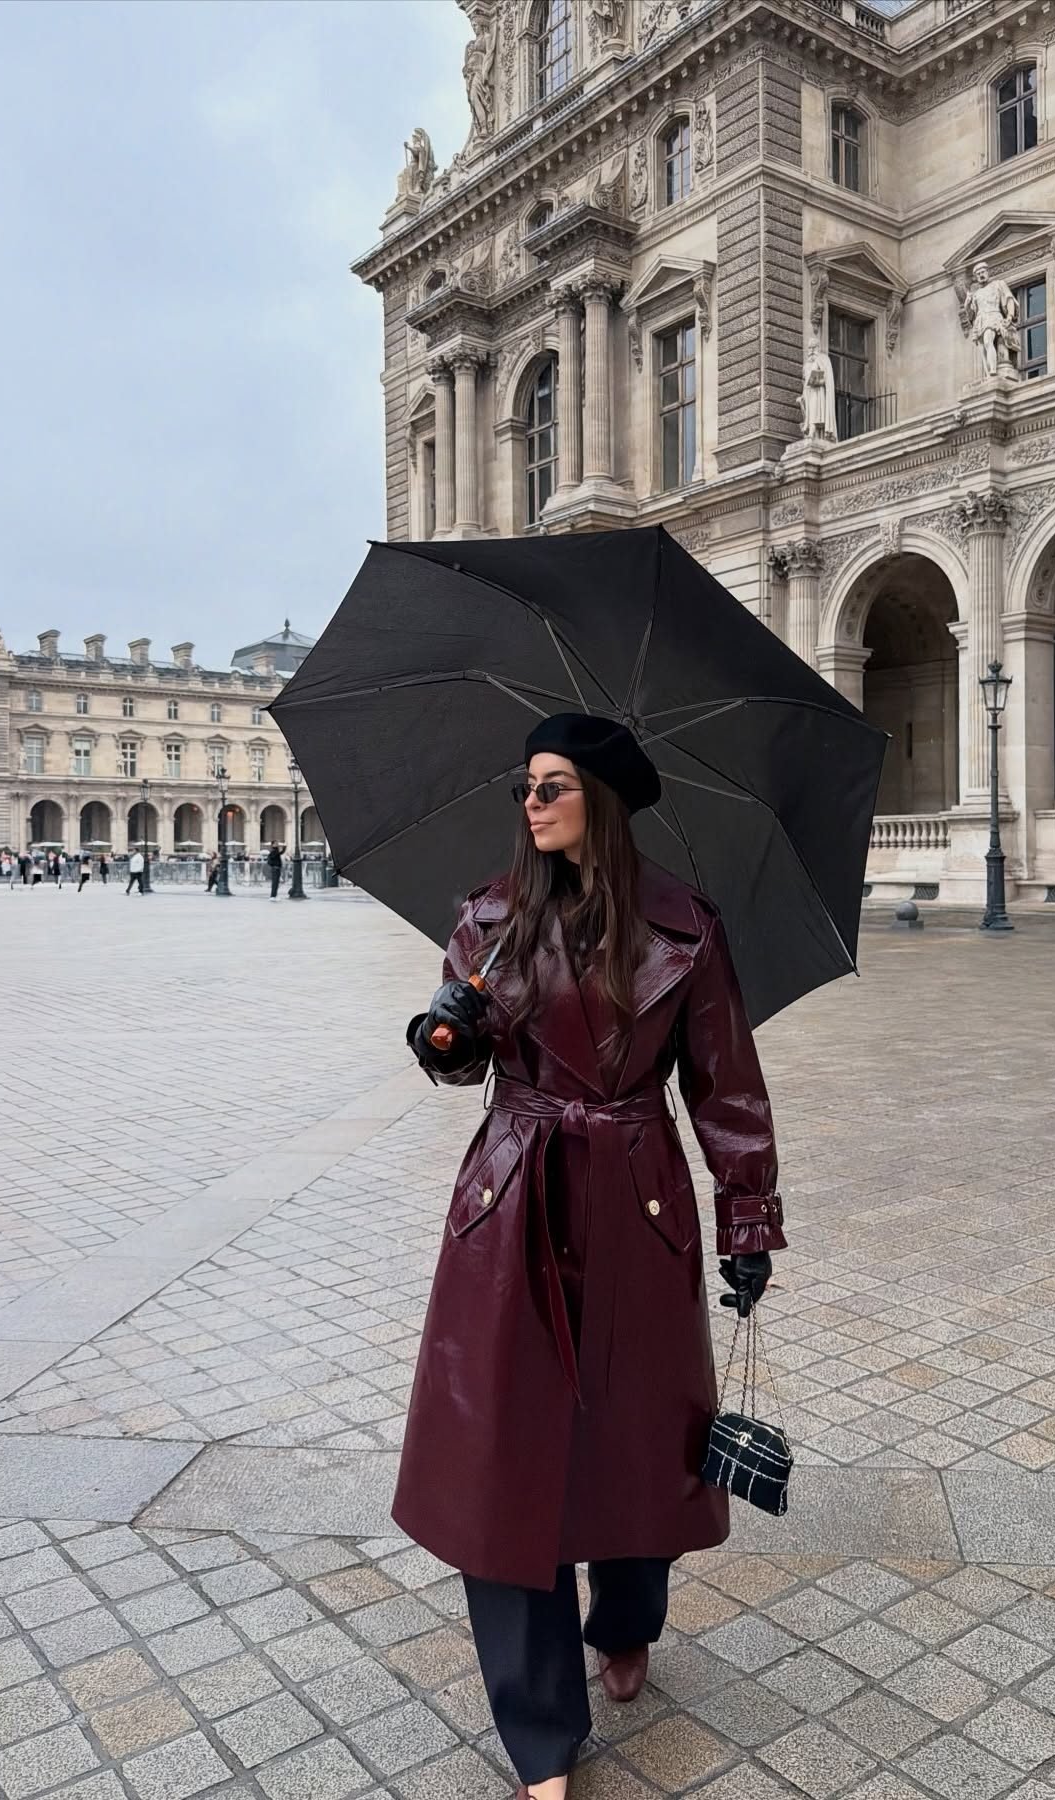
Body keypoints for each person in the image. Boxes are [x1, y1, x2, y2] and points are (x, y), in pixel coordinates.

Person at [397, 713, 785, 1800]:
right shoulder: (488, 916)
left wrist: (748, 1217)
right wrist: (446, 1033)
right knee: (502, 1454)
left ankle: (626, 1617)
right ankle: (537, 1735)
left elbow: (727, 1084)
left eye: (553, 785)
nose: (530, 802)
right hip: (511, 1189)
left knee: (636, 1439)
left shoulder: (685, 928)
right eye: (524, 785)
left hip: (636, 1196)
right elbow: (458, 1064)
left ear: (601, 800)